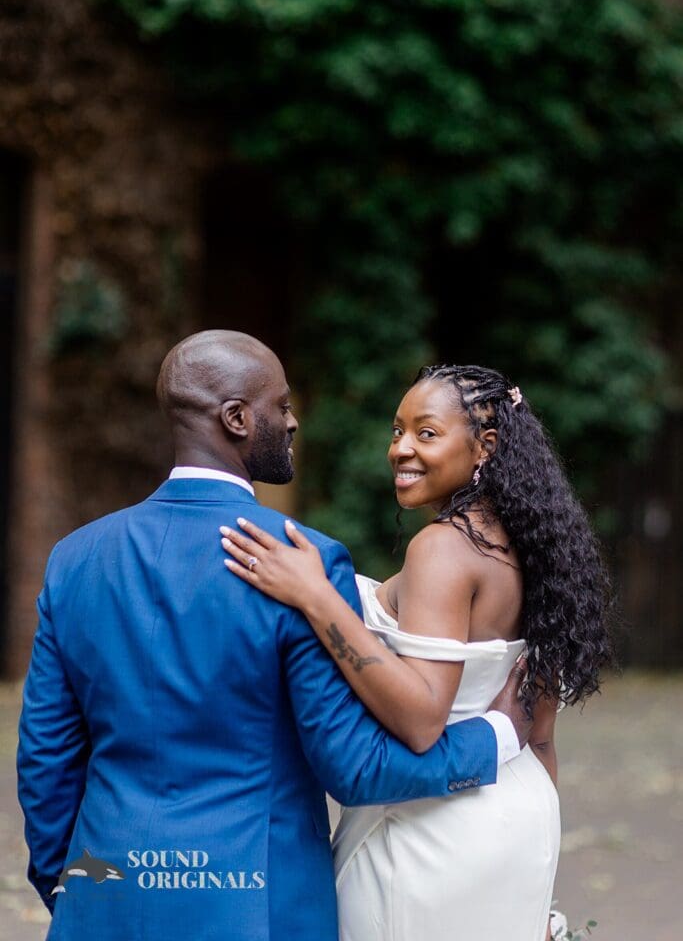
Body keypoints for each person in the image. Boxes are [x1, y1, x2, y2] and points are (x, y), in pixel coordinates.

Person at [17, 334, 531, 941]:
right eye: (281, 405)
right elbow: (357, 767)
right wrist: (497, 736)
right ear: (236, 418)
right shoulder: (298, 560)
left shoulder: (75, 559)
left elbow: (45, 759)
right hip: (256, 907)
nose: (292, 421)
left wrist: (69, 887)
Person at [221, 362, 614, 941]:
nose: (401, 448)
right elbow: (542, 735)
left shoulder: (443, 549)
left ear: (485, 446)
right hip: (522, 813)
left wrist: (315, 596)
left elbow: (423, 717)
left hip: (435, 826)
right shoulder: (534, 550)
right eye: (397, 431)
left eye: (426, 433)